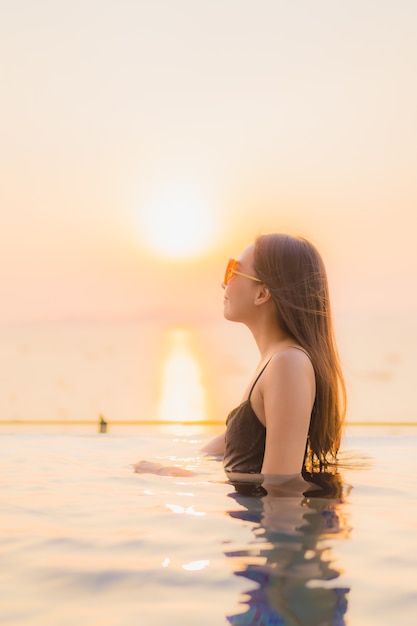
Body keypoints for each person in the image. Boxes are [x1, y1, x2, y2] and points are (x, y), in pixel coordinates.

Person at [202, 233, 346, 492]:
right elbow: (219, 450)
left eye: (234, 271)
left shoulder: (287, 363)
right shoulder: (277, 362)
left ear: (262, 293)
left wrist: (172, 474)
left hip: (269, 527)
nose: (225, 283)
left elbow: (282, 485)